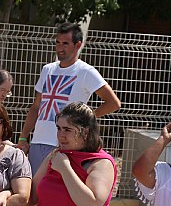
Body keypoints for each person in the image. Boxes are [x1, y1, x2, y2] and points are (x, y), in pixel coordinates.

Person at [16, 22, 121, 175]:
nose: (60, 48)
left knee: (57, 193)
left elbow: (113, 103)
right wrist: (23, 138)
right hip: (38, 142)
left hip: (65, 145)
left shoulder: (86, 71)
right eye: (57, 43)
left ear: (78, 45)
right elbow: (36, 107)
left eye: (65, 43)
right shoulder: (47, 70)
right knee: (33, 194)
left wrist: (85, 119)